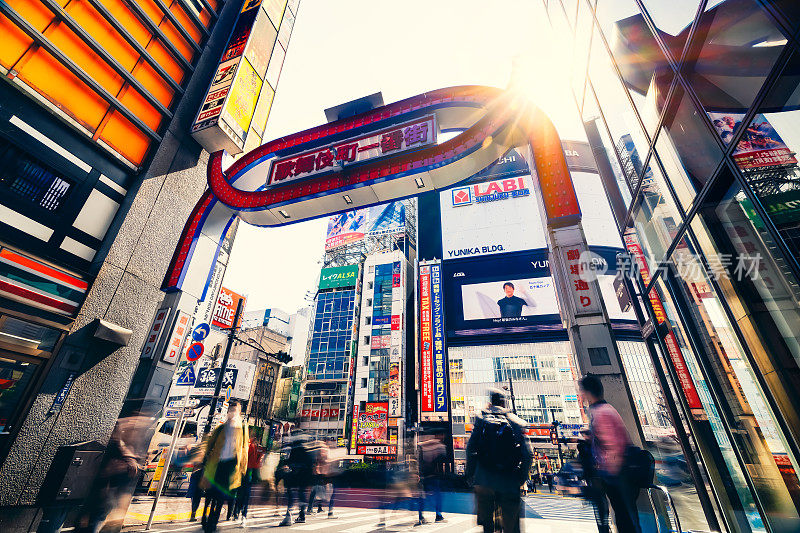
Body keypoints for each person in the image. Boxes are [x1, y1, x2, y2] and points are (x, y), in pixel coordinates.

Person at [579, 374, 641, 533]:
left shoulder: (601, 413)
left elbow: (614, 447)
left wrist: (608, 475)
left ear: (587, 392)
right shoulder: (605, 410)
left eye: (582, 391)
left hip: (618, 475)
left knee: (624, 518)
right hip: (619, 474)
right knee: (625, 517)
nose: (581, 395)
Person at [466, 388, 532, 533]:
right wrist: (521, 477)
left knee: (487, 523)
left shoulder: (481, 419)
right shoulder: (515, 421)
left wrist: (470, 475)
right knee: (512, 524)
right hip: (509, 480)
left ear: (490, 402)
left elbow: (470, 448)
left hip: (484, 480)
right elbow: (528, 453)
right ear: (504, 402)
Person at [200, 400, 249, 533]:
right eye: (231, 410)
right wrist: (204, 459)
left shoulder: (243, 429)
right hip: (217, 464)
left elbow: (245, 448)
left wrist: (243, 468)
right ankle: (205, 514)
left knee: (221, 495)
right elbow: (210, 444)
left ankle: (213, 521)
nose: (233, 412)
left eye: (236, 410)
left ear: (239, 412)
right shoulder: (221, 428)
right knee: (210, 493)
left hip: (231, 466)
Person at [279, 434, 314, 526]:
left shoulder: (294, 449)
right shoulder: (307, 449)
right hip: (305, 476)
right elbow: (311, 463)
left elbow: (289, 461)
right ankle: (302, 515)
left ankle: (288, 515)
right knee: (302, 494)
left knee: (291, 493)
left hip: (295, 475)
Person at [233, 434, 264, 526]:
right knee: (246, 494)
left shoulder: (243, 446)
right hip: (248, 473)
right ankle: (243, 515)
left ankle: (236, 513)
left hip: (240, 472)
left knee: (239, 493)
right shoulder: (254, 448)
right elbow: (256, 463)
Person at [417, 434, 447, 525]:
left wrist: (420, 474)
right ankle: (438, 515)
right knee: (437, 496)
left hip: (425, 476)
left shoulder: (422, 446)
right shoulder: (439, 447)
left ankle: (420, 516)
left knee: (422, 496)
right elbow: (441, 462)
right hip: (434, 476)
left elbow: (420, 462)